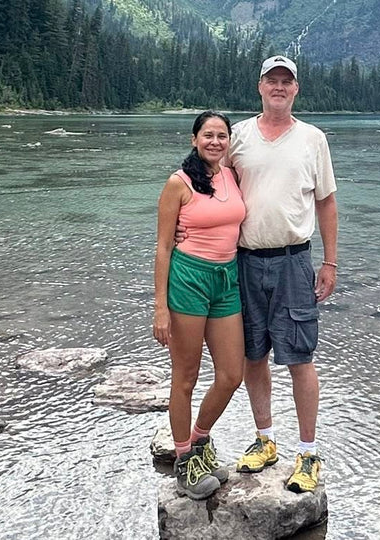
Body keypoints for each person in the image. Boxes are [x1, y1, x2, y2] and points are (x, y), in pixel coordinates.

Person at [229, 55, 338, 494]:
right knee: (252, 354)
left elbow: (326, 201)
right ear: (260, 86)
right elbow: (212, 189)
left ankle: (308, 453)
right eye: (271, 80)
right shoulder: (237, 136)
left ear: (296, 90)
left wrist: (329, 262)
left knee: (299, 357)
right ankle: (265, 440)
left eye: (286, 82)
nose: (279, 87)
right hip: (244, 259)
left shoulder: (313, 139)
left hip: (295, 259)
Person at [153, 110, 247, 500]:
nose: (215, 141)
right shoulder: (178, 183)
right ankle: (183, 461)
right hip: (188, 279)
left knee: (231, 374)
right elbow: (161, 247)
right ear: (194, 140)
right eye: (207, 135)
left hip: (226, 280)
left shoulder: (232, 175)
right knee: (186, 376)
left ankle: (199, 440)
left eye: (221, 135)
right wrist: (160, 306)